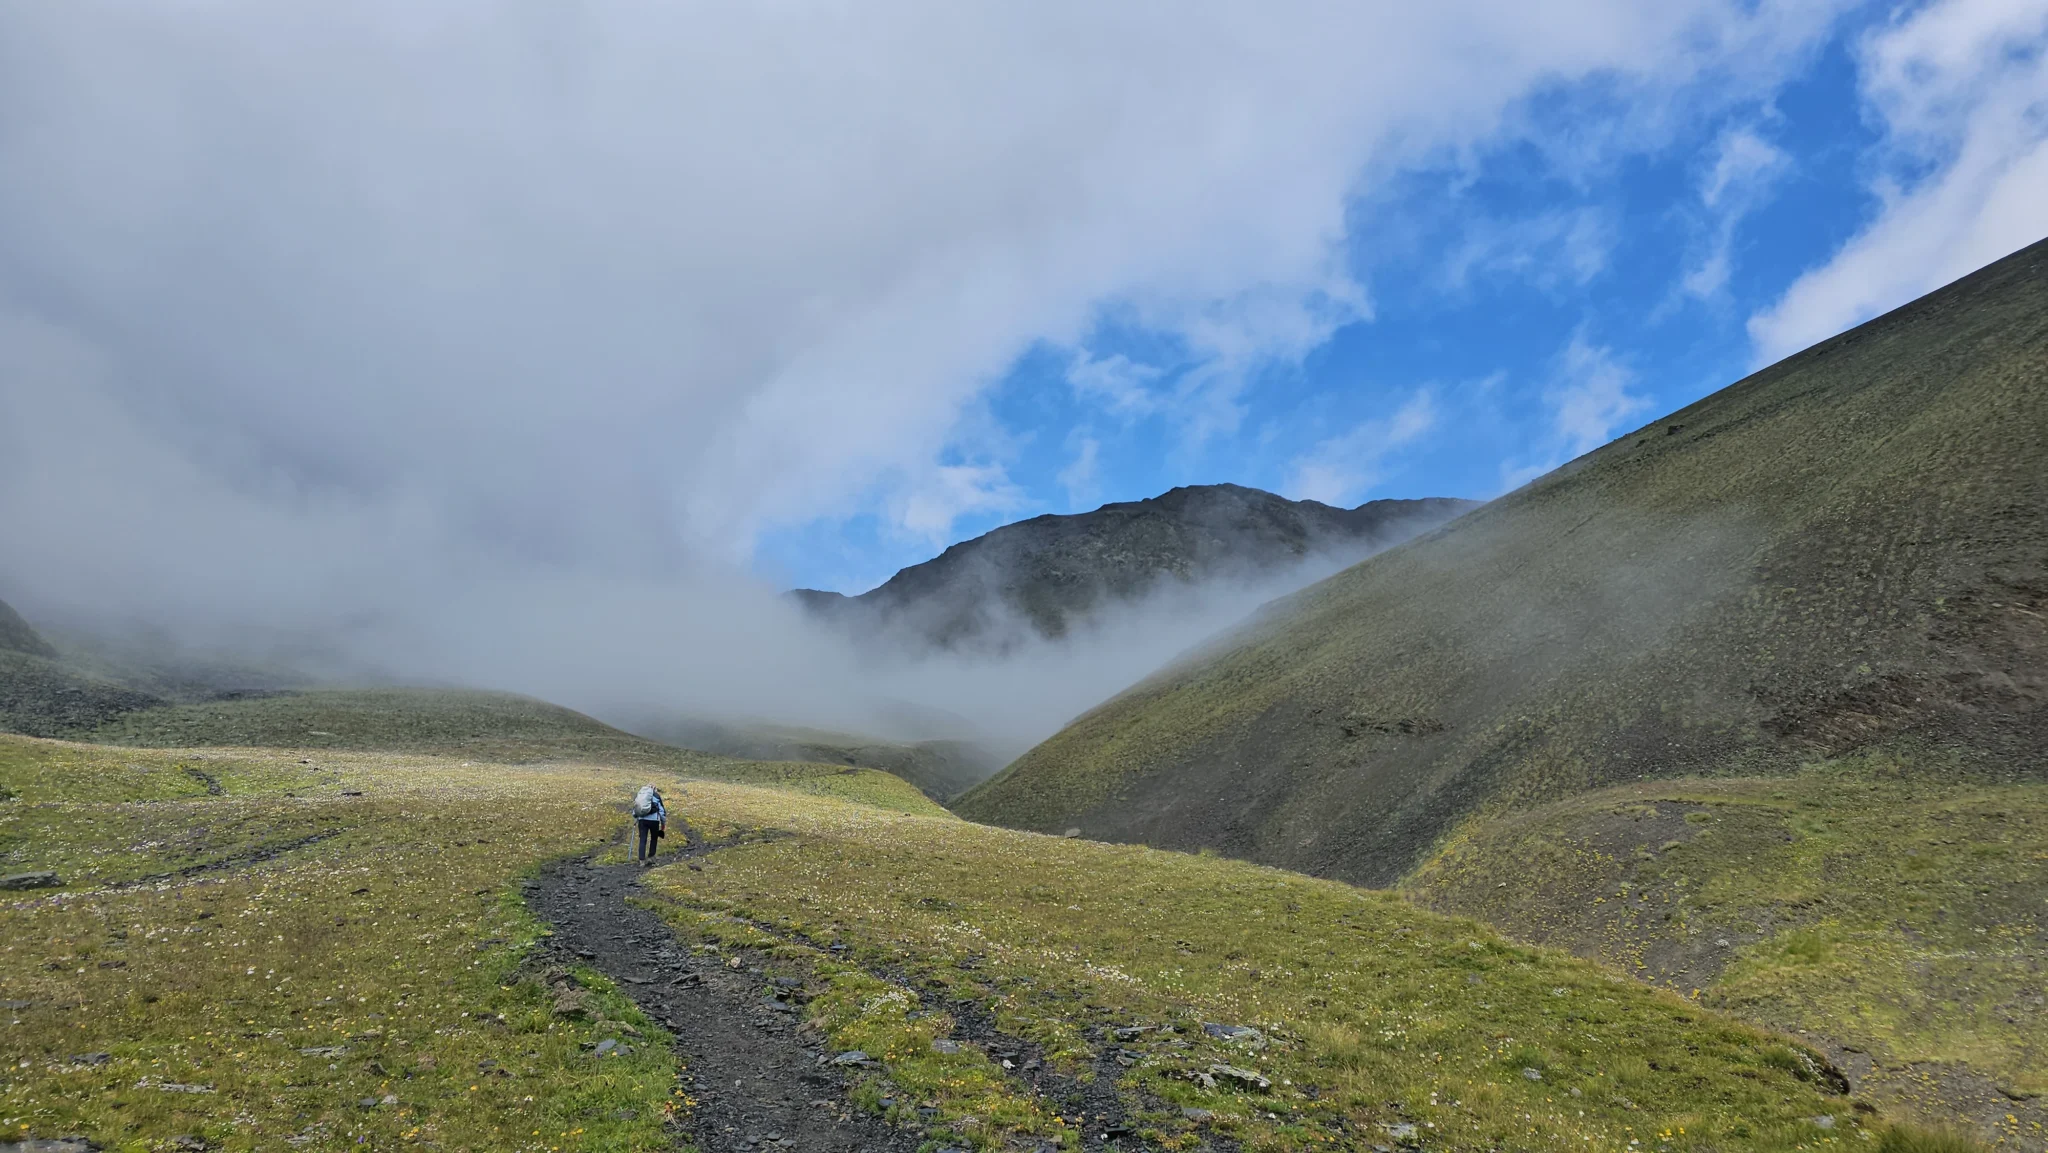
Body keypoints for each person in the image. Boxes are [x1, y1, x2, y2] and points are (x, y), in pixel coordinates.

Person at [632, 784, 667, 865]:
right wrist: (663, 823)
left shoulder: (640, 795)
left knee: (642, 839)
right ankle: (651, 857)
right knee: (654, 838)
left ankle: (642, 860)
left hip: (642, 820)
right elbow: (661, 811)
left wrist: (635, 817)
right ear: (654, 789)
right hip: (654, 820)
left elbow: (636, 807)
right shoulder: (656, 796)